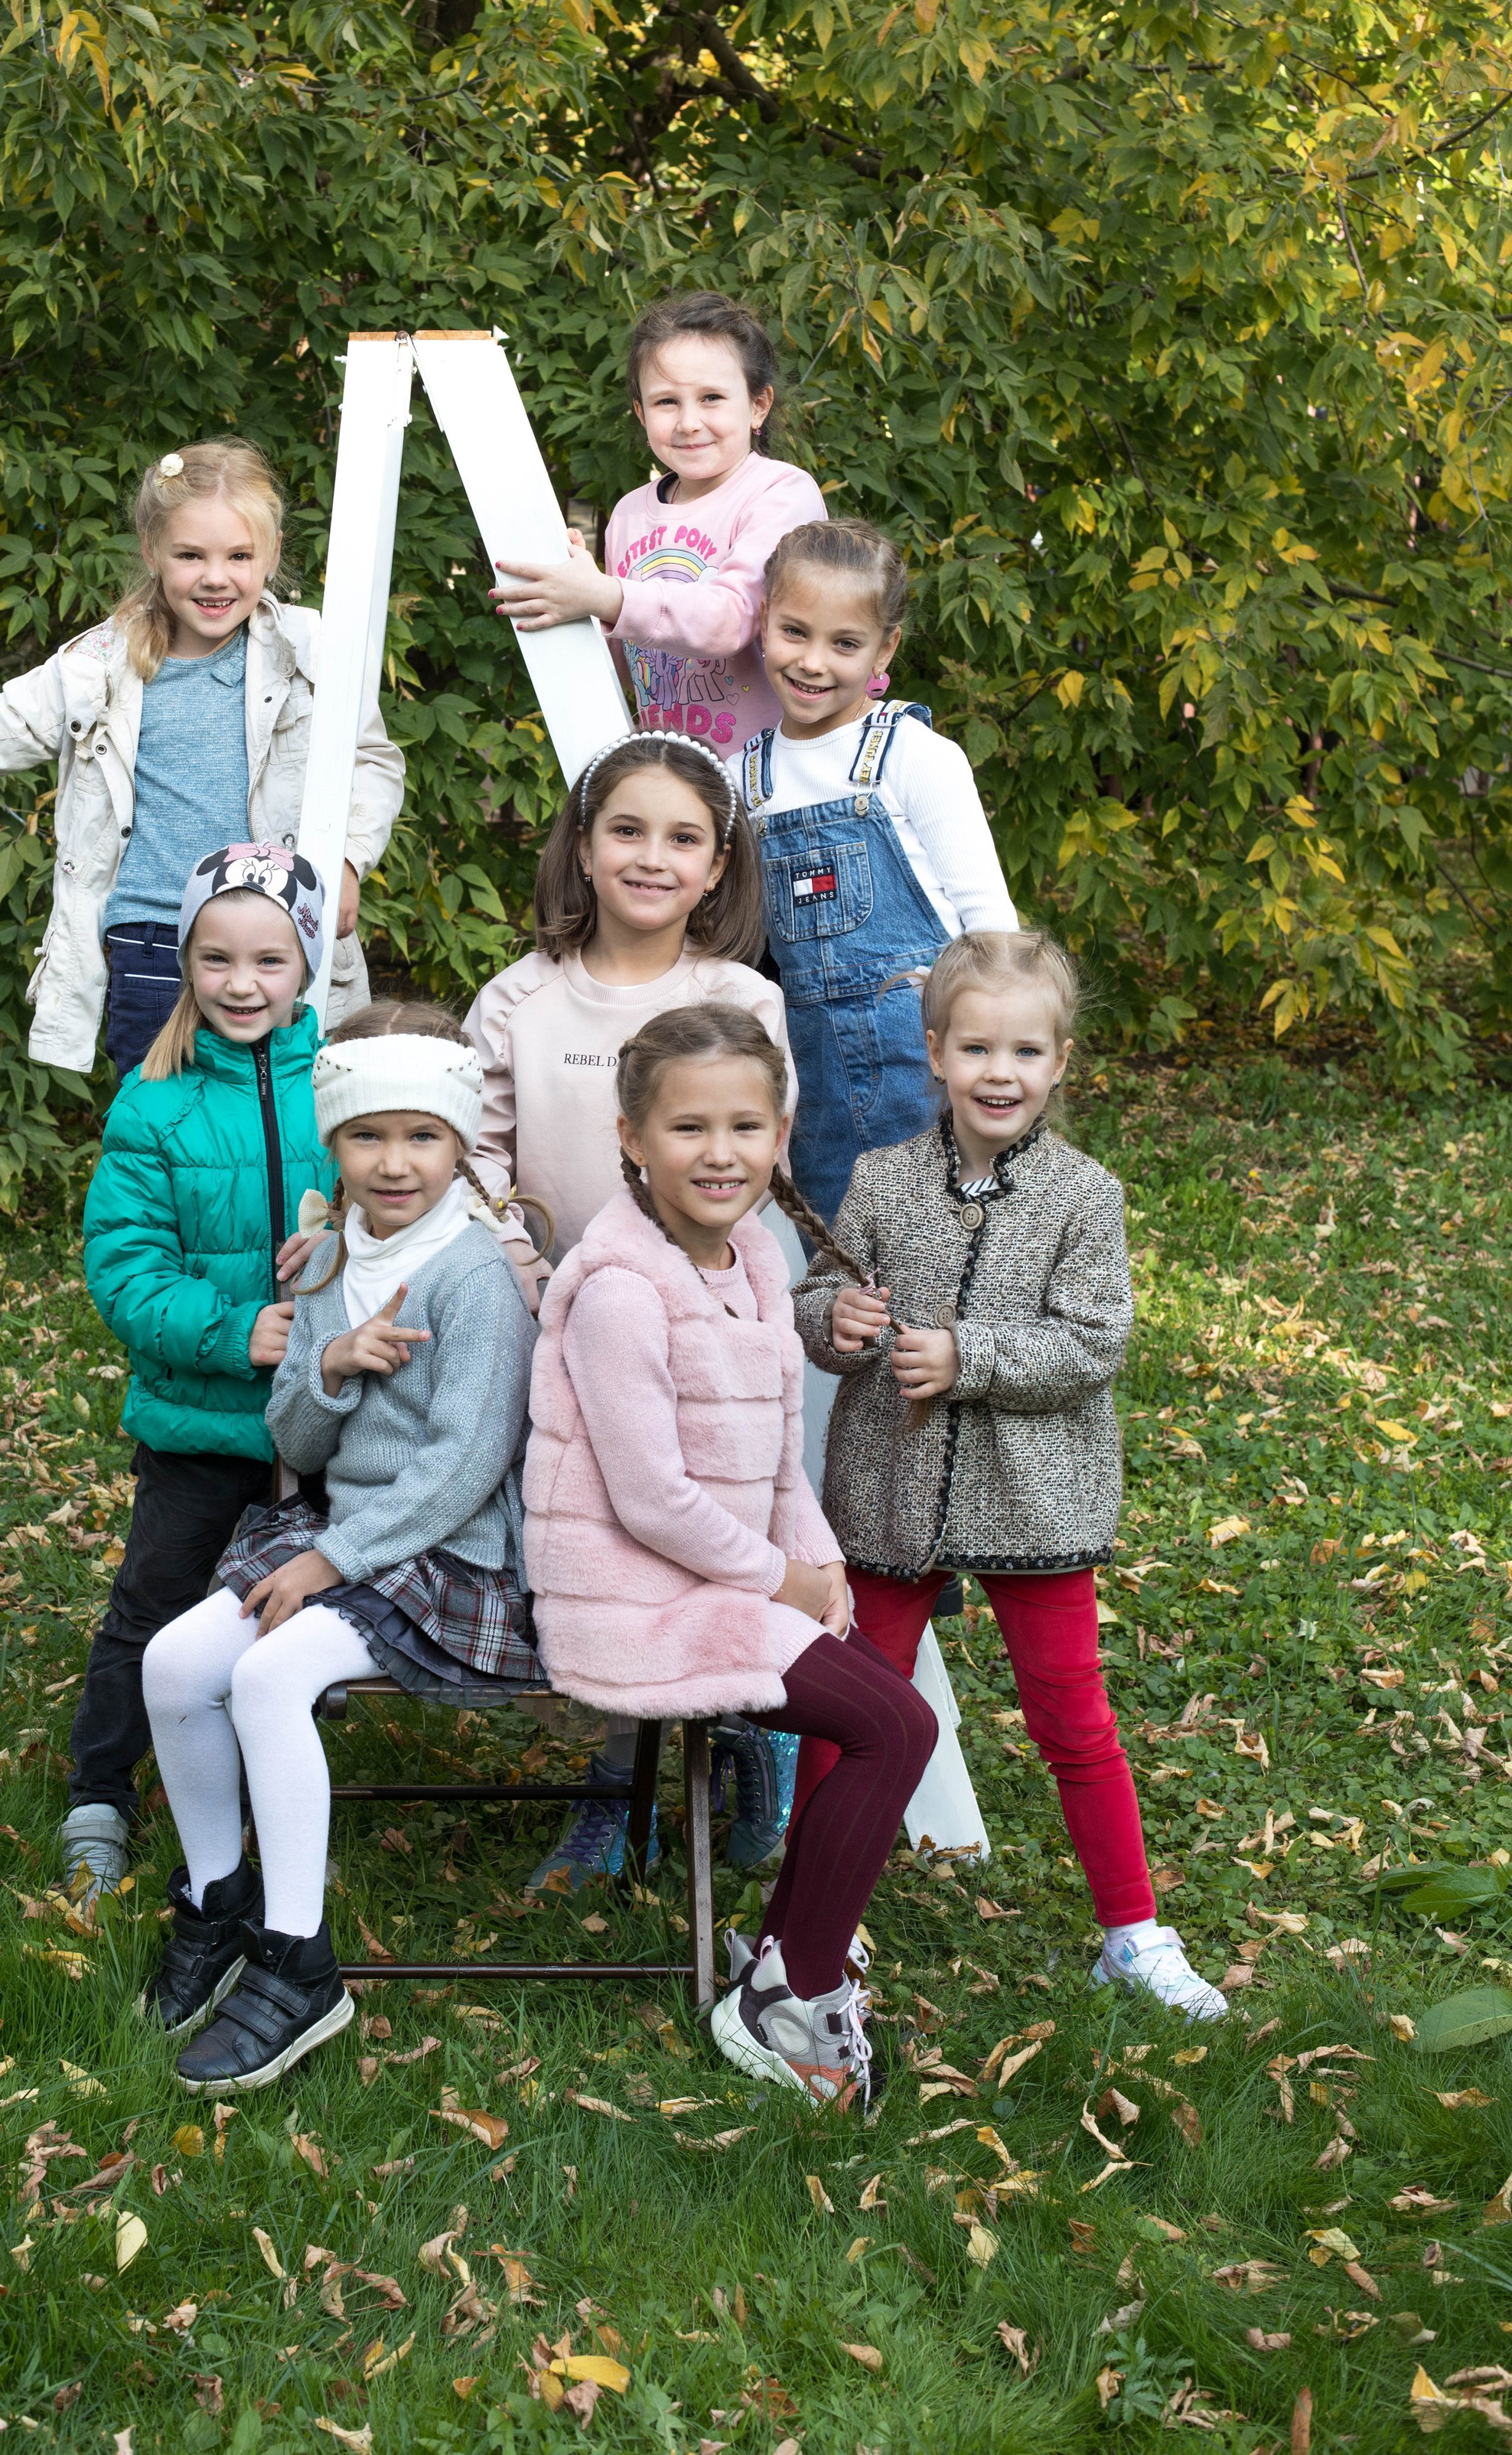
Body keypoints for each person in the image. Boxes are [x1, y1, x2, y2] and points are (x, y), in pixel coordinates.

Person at [789, 929, 1227, 2022]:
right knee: (853, 1707)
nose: (1000, 1072)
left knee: (1073, 1718)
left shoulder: (1086, 1196)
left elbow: (1094, 1342)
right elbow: (818, 1303)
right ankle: (807, 1931)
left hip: (1039, 1493)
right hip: (890, 1488)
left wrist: (969, 1356)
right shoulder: (883, 1182)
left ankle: (1132, 1930)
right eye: (977, 1046)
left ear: (1060, 1064)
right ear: (935, 1052)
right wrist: (836, 1324)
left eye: (1025, 1052)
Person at [525, 1003, 939, 2106]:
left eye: (746, 1127)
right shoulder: (620, 1288)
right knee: (898, 1722)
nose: (721, 1154)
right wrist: (782, 1582)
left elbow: (773, 1455)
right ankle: (788, 1995)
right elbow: (651, 1500)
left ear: (780, 1134)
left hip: (724, 1575)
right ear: (631, 1138)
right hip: (640, 1594)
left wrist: (823, 1569)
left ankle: (785, 1967)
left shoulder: (757, 1255)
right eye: (689, 1128)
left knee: (886, 1714)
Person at [135, 1006, 543, 2088]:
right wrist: (336, 1367)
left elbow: (467, 1461)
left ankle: (298, 1960)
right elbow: (292, 1436)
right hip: (333, 1523)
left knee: (271, 1676)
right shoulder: (324, 1257)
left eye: (422, 1136)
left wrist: (333, 1562)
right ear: (338, 1144)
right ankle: (217, 1901)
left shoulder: (475, 1275)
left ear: (460, 1144)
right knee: (173, 1665)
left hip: (445, 1549)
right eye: (368, 1136)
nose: (394, 1162)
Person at [0, 439, 404, 1074]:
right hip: (154, 950)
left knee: (294, 1133)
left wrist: (348, 861)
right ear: (152, 552)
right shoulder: (100, 666)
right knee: (164, 1139)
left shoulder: (311, 650)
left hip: (278, 943)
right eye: (191, 555)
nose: (216, 577)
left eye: (239, 556)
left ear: (270, 556)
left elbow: (375, 762)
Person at [464, 731, 798, 1876]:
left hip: (702, 1321)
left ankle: (743, 1731)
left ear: (717, 868)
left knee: (708, 1515)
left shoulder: (739, 996)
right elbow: (481, 1167)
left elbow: (744, 1170)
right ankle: (619, 1781)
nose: (652, 858)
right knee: (605, 1541)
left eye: (684, 839)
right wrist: (531, 1288)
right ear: (584, 847)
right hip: (560, 1318)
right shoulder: (520, 999)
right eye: (628, 830)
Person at [67, 845, 333, 1902]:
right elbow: (124, 1269)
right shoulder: (155, 1103)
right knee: (157, 1598)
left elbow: (403, 1208)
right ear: (184, 963)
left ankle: (283, 1763)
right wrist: (235, 1331)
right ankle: (101, 1789)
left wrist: (344, 1250)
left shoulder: (349, 1082)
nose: (240, 983)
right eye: (215, 958)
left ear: (307, 963)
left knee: (304, 1607)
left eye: (269, 959)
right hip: (200, 1418)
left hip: (328, 1421)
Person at [739, 516, 1017, 1223]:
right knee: (838, 1251)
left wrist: (991, 1062)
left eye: (845, 644)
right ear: (763, 619)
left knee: (952, 1241)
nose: (813, 662)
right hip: (811, 1074)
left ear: (884, 647)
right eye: (794, 632)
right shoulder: (744, 778)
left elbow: (992, 934)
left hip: (927, 1065)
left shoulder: (915, 756)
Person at [488, 290, 824, 758]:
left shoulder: (781, 493)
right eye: (667, 402)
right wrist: (572, 599)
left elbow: (730, 621)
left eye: (712, 398)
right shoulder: (628, 513)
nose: (688, 422)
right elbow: (631, 668)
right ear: (641, 413)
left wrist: (605, 595)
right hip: (674, 782)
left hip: (773, 780)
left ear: (758, 406)